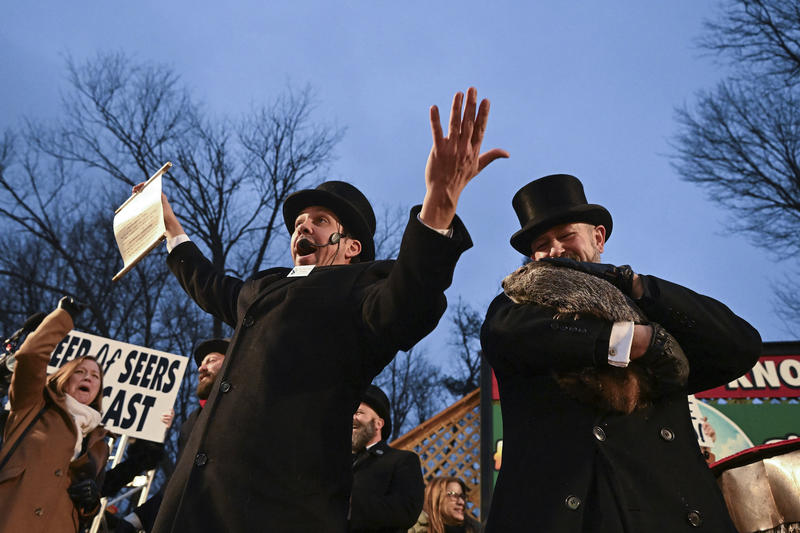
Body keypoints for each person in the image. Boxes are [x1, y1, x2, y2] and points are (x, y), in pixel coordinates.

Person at [149, 87, 508, 533]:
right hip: (198, 498)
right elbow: (209, 285)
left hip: (277, 505)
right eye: (300, 222)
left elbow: (409, 300)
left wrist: (439, 203)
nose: (304, 226)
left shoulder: (360, 288)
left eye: (320, 221)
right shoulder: (262, 289)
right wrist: (169, 229)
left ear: (351, 247)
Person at [480, 174, 762, 532]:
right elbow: (508, 335)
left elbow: (739, 345)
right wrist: (628, 341)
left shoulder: (643, 304)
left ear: (598, 237)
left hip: (664, 507)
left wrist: (635, 285)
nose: (554, 251)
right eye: (541, 244)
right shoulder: (516, 308)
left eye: (566, 235)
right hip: (574, 511)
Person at [0, 297, 109, 533]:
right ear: (64, 378)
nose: (88, 377)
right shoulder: (34, 403)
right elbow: (30, 356)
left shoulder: (101, 445)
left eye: (95, 376)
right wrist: (63, 317)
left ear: (97, 392)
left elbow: (87, 510)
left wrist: (91, 503)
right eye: (80, 371)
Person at [112, 338, 229, 533]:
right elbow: (180, 482)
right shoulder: (191, 423)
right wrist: (138, 518)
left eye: (211, 360)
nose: (201, 368)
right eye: (201, 364)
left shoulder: (251, 409)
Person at [350, 385, 424, 533]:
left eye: (358, 412)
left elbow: (407, 510)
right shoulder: (338, 463)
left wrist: (351, 504)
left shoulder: (401, 460)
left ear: (378, 423)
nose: (352, 418)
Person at [409, 477, 481, 533]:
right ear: (436, 498)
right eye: (453, 495)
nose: (462, 502)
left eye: (462, 496)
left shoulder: (473, 529)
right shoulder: (414, 528)